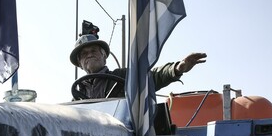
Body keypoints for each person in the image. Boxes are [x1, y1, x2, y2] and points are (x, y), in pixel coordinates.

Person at [69, 34, 206, 100]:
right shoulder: (78, 95)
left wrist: (177, 68)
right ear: (80, 64)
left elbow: (151, 77)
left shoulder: (122, 77)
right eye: (84, 54)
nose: (89, 55)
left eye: (94, 51)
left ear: (104, 56)